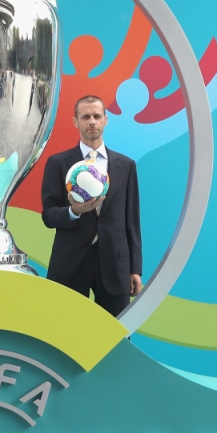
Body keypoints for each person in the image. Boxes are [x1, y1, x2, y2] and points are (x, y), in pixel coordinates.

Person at [41, 95, 143, 316]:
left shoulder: (125, 166)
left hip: (115, 265)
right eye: (85, 116)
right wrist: (73, 211)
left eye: (97, 116)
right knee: (64, 332)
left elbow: (131, 222)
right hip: (70, 262)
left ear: (106, 120)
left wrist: (135, 268)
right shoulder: (58, 163)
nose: (92, 121)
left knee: (117, 335)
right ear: (75, 122)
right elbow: (48, 216)